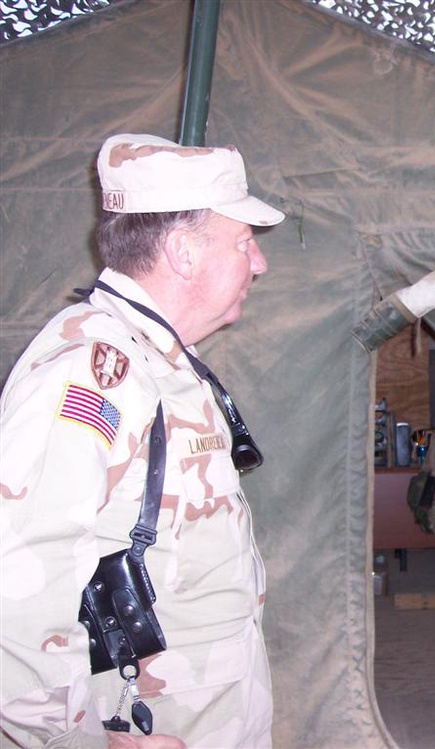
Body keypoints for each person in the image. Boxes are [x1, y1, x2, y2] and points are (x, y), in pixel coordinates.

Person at [1, 134, 284, 747]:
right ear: (184, 252)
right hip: (151, 718)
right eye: (243, 242)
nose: (258, 263)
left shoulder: (163, 361)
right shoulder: (91, 368)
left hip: (204, 706)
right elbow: (15, 587)